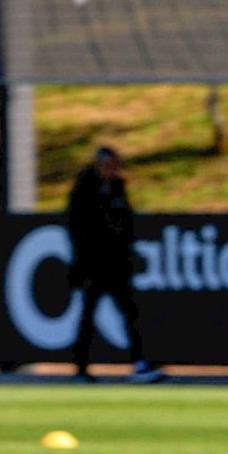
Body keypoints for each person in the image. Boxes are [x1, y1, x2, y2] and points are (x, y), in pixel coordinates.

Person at [66, 146, 163, 383]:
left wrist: (127, 251)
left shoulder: (118, 187)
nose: (113, 170)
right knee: (88, 315)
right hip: (93, 264)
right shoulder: (84, 189)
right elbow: (77, 229)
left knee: (130, 314)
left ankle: (140, 364)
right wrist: (81, 263)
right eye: (109, 166)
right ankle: (80, 368)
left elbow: (127, 222)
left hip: (117, 264)